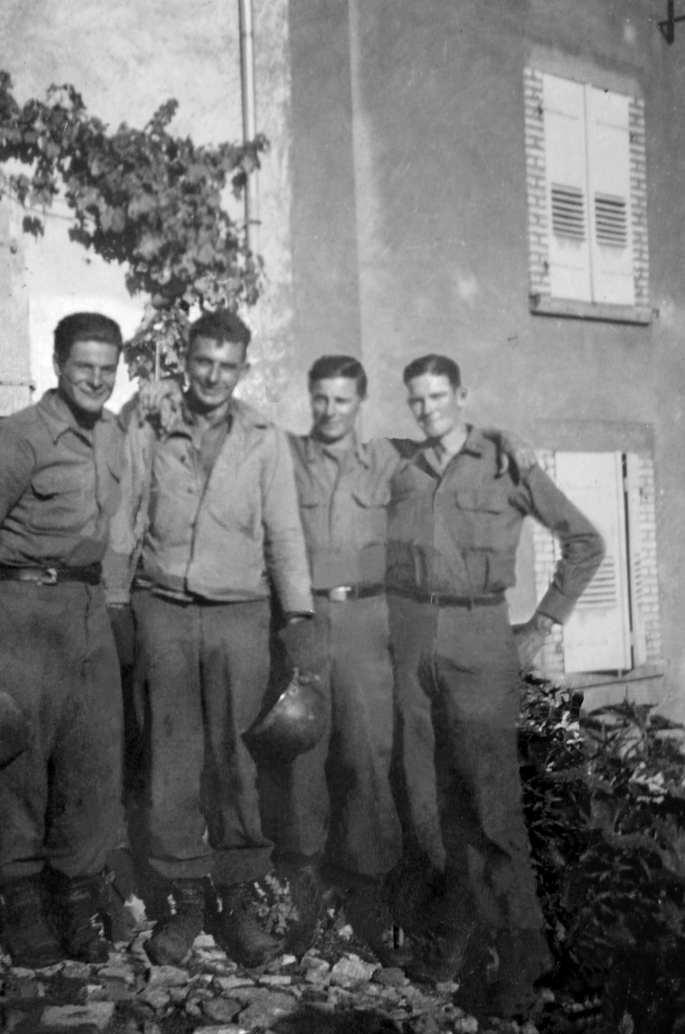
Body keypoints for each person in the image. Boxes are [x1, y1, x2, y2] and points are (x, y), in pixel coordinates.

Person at [385, 354, 605, 1019]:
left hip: (481, 638)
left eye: (438, 397)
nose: (427, 410)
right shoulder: (404, 469)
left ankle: (523, 961)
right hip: (417, 634)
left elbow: (584, 542)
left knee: (493, 810)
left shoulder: (506, 462)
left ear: (462, 396)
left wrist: (542, 625)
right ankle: (453, 936)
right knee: (434, 800)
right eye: (417, 400)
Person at [105, 309, 315, 969]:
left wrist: (300, 618)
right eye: (203, 362)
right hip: (163, 609)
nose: (214, 376)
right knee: (171, 761)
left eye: (228, 366)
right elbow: (126, 513)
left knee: (235, 763)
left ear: (242, 369)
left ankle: (238, 906)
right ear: (186, 360)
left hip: (238, 616)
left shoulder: (263, 438)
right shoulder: (151, 424)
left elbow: (283, 533)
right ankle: (185, 903)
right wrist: (116, 601)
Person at [0, 312, 126, 968]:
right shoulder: (16, 438)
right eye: (83, 365)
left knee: (91, 758)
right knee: (19, 761)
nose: (95, 379)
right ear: (57, 364)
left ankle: (78, 889)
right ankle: (22, 895)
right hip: (20, 608)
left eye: (107, 368)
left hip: (85, 608)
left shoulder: (114, 434)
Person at [263, 355, 407, 966]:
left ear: (361, 401)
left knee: (369, 755)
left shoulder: (390, 462)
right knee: (304, 755)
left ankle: (369, 893)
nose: (329, 411)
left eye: (342, 400)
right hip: (308, 617)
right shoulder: (287, 459)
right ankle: (303, 895)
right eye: (320, 399)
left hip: (369, 621)